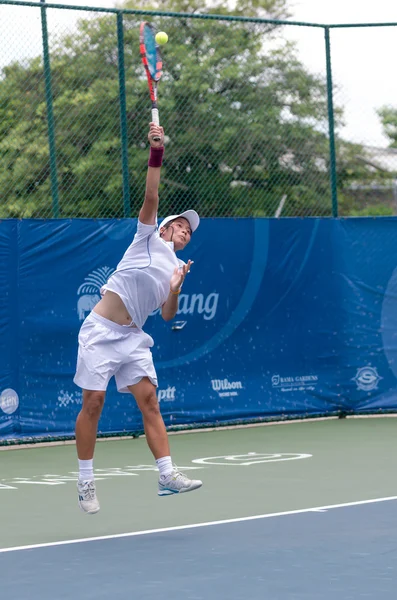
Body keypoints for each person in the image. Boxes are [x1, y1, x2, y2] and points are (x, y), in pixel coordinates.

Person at [73, 122, 202, 514]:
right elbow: (151, 193)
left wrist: (176, 289)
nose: (183, 231)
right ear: (164, 226)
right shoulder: (145, 236)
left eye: (188, 232)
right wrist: (156, 151)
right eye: (179, 224)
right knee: (94, 401)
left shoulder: (177, 268)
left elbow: (166, 316)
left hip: (133, 337)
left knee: (150, 401)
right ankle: (84, 482)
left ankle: (166, 474)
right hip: (101, 330)